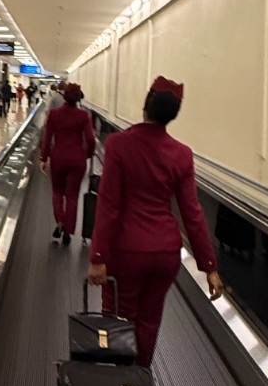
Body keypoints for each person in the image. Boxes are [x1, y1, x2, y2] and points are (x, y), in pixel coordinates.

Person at [87, 76, 224, 365]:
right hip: (165, 254)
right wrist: (209, 266)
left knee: (119, 316)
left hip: (125, 251)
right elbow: (192, 213)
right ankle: (140, 375)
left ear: (146, 104)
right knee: (149, 319)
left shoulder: (119, 144)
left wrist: (98, 256)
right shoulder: (182, 154)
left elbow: (109, 205)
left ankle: (118, 377)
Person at [39, 81, 96, 245]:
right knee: (72, 195)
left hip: (58, 157)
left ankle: (59, 222)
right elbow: (91, 139)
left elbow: (47, 138)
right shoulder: (84, 115)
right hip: (78, 158)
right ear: (78, 98)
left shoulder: (54, 114)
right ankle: (68, 232)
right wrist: (87, 154)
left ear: (64, 96)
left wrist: (43, 158)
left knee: (57, 192)